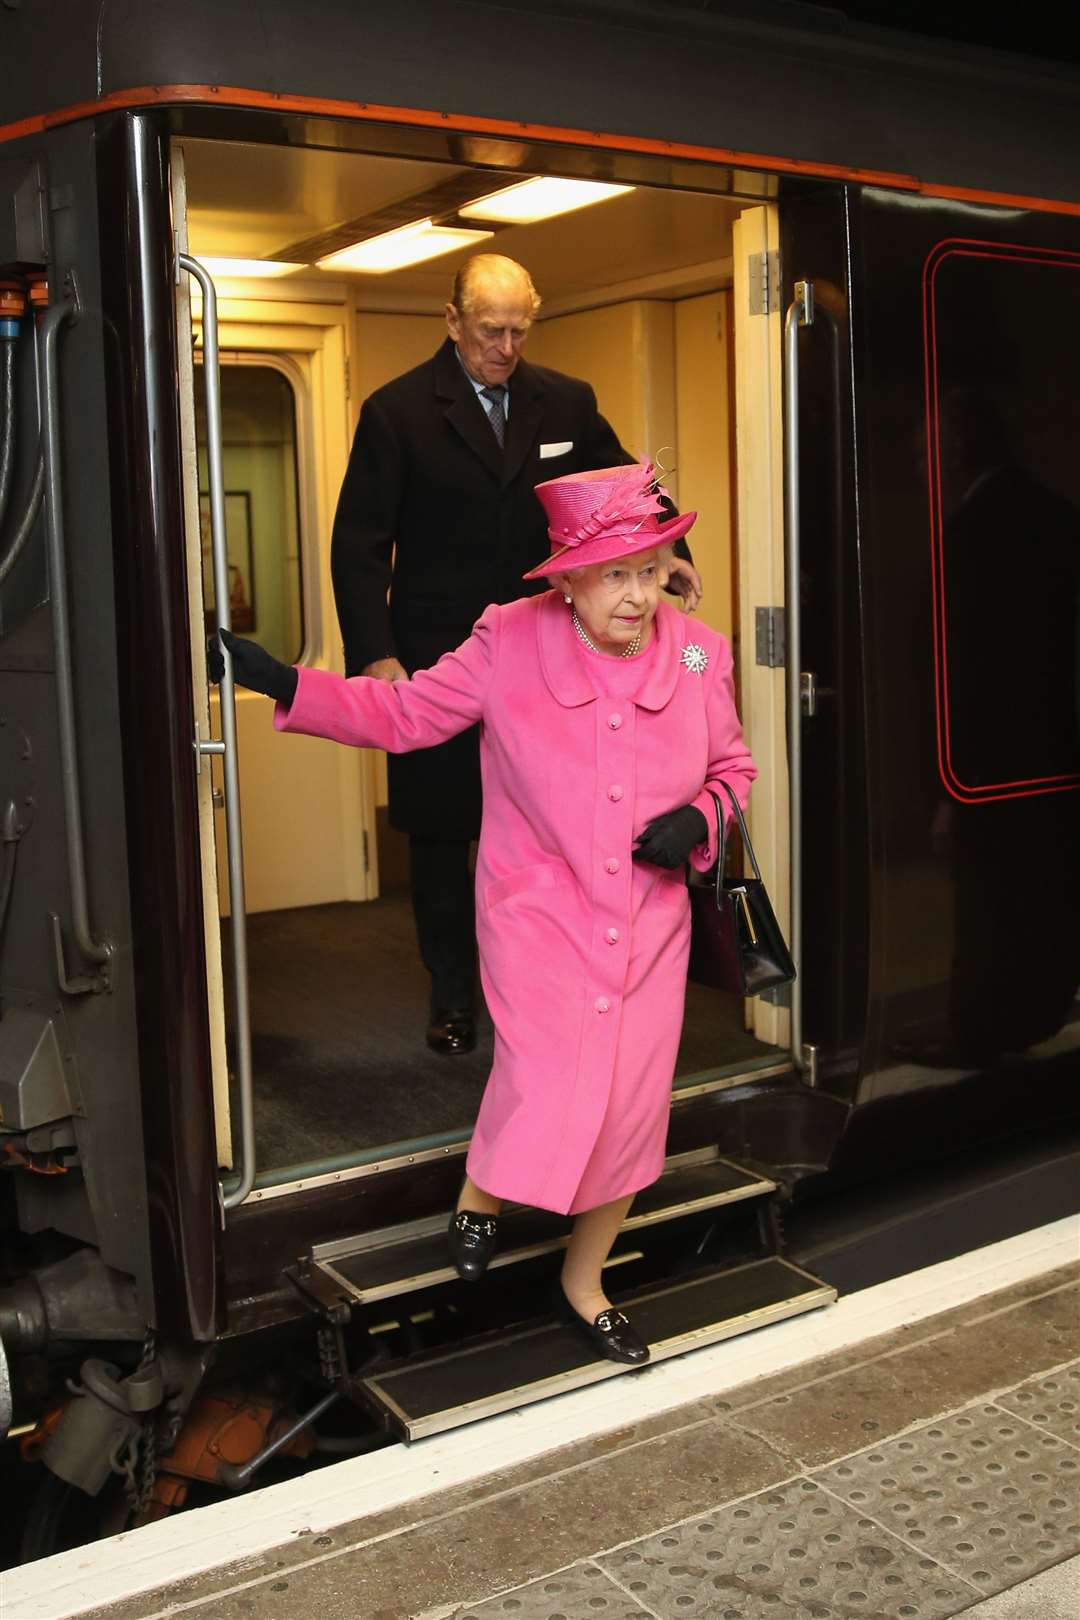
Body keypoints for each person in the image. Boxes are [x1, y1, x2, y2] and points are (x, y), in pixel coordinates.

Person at [213, 458, 754, 1365]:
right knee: (544, 1071)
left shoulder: (699, 652)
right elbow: (407, 716)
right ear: (568, 577)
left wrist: (698, 817)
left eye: (649, 568)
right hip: (539, 908)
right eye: (613, 573)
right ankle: (484, 1195)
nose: (635, 595)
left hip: (649, 923)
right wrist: (282, 681)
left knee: (629, 1106)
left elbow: (734, 770)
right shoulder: (510, 639)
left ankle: (584, 1283)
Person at [331, 253, 702, 1055]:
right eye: (491, 330)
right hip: (439, 653)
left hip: (546, 650)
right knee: (440, 830)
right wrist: (377, 656)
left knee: (545, 819)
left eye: (519, 329)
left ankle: (546, 979)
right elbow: (359, 544)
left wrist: (671, 551)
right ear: (453, 320)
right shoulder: (397, 413)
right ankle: (453, 994)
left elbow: (625, 486)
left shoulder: (564, 400)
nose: (506, 345)